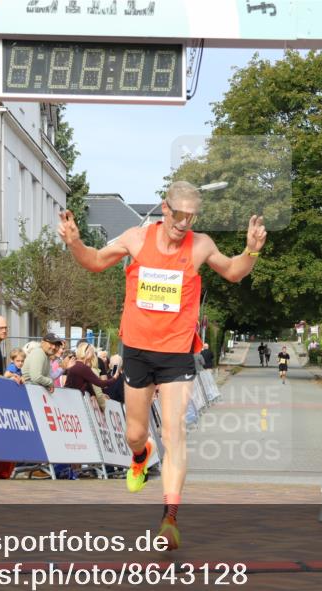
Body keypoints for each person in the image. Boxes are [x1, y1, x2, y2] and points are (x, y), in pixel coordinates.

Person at [58, 180, 267, 549]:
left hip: (177, 353)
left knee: (174, 433)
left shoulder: (201, 245)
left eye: (192, 216)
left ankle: (170, 518)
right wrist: (74, 241)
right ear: (165, 207)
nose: (184, 222)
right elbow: (93, 261)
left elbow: (233, 272)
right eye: (179, 214)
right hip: (137, 350)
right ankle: (140, 455)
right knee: (135, 434)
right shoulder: (136, 239)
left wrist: (250, 251)